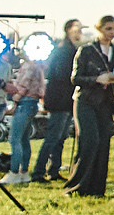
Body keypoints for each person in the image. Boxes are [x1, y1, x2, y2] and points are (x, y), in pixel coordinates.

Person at [67, 16, 114, 197]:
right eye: (108, 28)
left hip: (106, 102)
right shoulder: (86, 51)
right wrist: (96, 79)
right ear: (99, 29)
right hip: (86, 100)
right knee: (89, 141)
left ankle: (96, 189)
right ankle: (77, 186)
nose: (112, 32)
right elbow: (75, 78)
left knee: (103, 143)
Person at [35, 20, 82, 182]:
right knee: (53, 137)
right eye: (78, 28)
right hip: (60, 99)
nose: (80, 32)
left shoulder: (69, 49)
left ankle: (53, 170)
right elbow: (61, 75)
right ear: (69, 30)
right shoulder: (64, 50)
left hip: (65, 99)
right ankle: (38, 171)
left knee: (60, 137)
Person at [2, 46, 45, 182]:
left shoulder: (28, 66)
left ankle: (14, 172)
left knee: (15, 138)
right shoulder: (38, 67)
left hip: (25, 102)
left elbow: (24, 84)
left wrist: (17, 95)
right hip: (32, 103)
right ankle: (24, 171)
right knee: (24, 139)